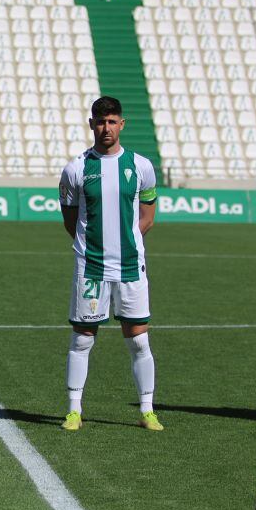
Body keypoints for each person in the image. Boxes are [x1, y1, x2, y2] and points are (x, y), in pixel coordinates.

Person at [57, 96, 162, 432]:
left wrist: (126, 244)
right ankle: (74, 409)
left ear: (122, 124)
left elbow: (147, 217)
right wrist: (95, 248)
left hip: (131, 267)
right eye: (100, 122)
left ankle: (147, 410)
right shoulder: (76, 169)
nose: (106, 128)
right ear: (91, 124)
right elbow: (70, 221)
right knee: (83, 338)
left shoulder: (141, 166)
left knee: (138, 340)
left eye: (112, 121)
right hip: (91, 268)